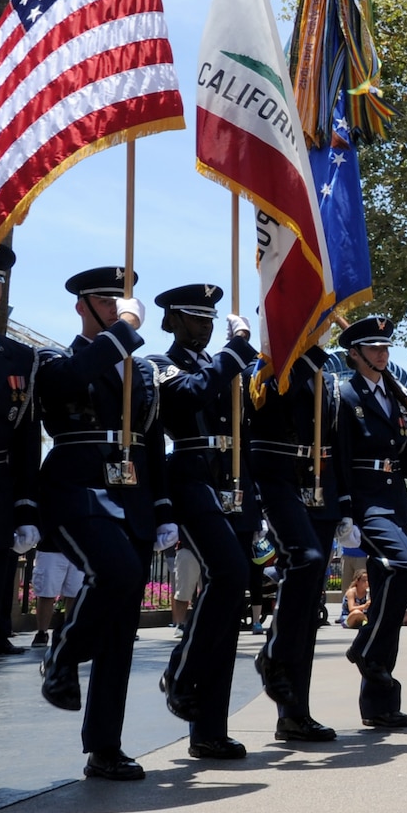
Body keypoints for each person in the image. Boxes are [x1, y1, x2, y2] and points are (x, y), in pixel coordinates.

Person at [31, 267, 168, 782]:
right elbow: (68, 383)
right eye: (105, 301)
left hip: (130, 492)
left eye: (120, 302)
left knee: (121, 635)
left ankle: (105, 747)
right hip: (74, 485)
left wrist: (163, 510)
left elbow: (151, 443)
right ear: (81, 307)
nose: (114, 308)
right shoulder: (55, 357)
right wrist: (122, 332)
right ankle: (64, 653)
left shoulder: (140, 372)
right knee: (116, 573)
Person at [146, 282, 258, 761]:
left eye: (210, 318)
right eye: (195, 318)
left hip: (234, 480)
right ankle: (180, 668)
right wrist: (233, 353)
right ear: (172, 320)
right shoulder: (158, 363)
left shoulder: (228, 369)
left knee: (231, 603)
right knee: (228, 573)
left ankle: (208, 727)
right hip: (191, 477)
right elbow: (188, 396)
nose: (205, 326)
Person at [248, 343, 360, 744]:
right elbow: (271, 405)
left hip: (321, 494)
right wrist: (303, 359)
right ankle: (277, 667)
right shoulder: (260, 371)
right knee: (295, 591)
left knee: (309, 612)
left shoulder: (327, 379)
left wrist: (345, 502)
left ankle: (296, 712)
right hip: (281, 489)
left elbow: (339, 446)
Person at [336, 315, 407, 727]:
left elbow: (402, 462)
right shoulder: (345, 396)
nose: (383, 353)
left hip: (394, 502)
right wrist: (345, 511)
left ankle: (380, 705)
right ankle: (364, 646)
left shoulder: (394, 399)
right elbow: (340, 456)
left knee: (387, 594)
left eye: (385, 347)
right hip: (366, 504)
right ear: (355, 354)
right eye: (374, 348)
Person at [28, 550, 83, 649]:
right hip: (50, 548)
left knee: (76, 593)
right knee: (46, 592)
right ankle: (42, 633)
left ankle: (71, 632)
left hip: (78, 549)